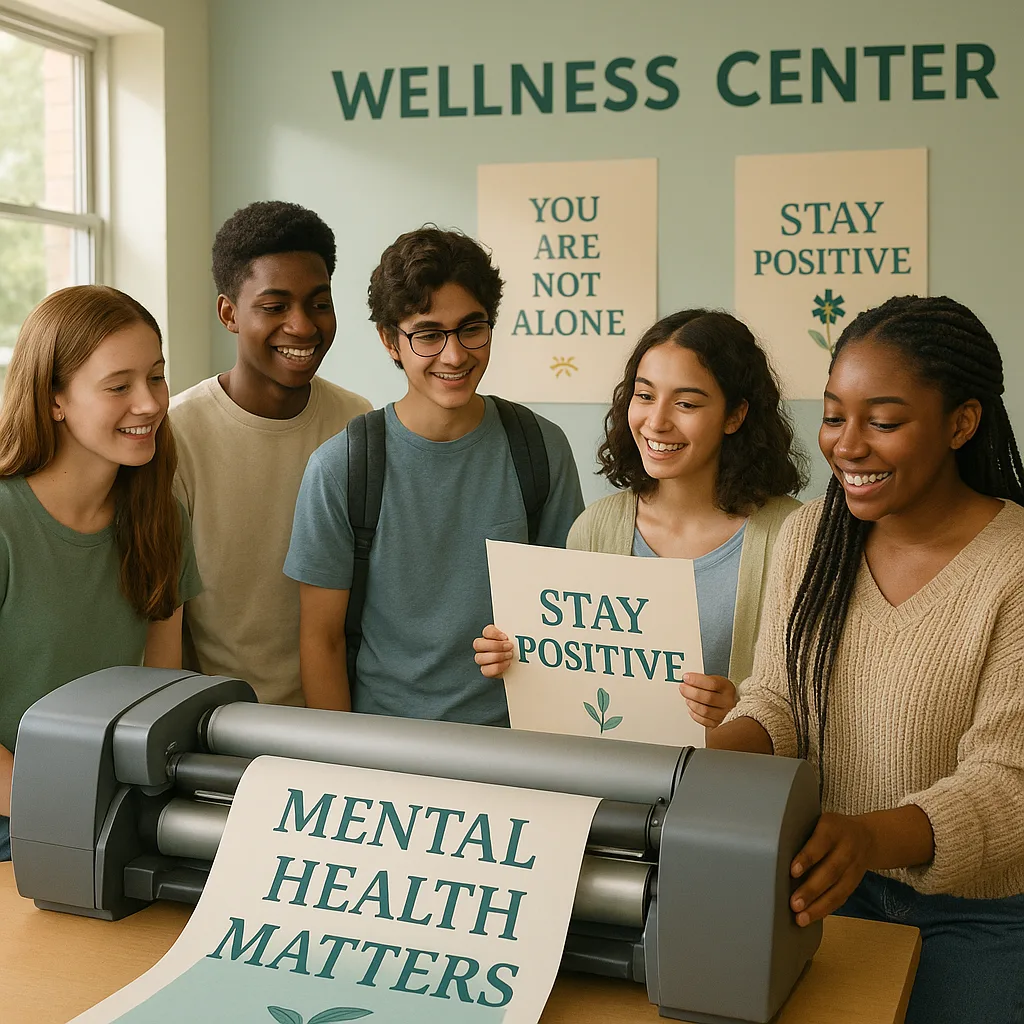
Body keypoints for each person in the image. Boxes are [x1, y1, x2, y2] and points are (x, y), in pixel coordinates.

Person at [708, 295, 1024, 1023]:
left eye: (882, 422)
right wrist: (694, 762)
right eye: (833, 415)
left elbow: (1006, 783)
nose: (847, 445)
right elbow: (778, 702)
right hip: (824, 883)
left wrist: (868, 836)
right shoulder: (812, 536)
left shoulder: (1011, 568)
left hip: (976, 918)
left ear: (961, 423)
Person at [285, 226, 584, 725]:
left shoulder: (541, 448)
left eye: (472, 328)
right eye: (428, 334)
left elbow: (568, 622)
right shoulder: (341, 467)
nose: (455, 354)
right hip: (386, 748)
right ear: (390, 340)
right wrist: (342, 765)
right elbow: (321, 639)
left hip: (520, 745)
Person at [474, 309, 805, 731]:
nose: (657, 421)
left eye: (685, 403)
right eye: (645, 395)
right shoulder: (595, 528)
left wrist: (747, 712)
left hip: (731, 785)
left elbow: (819, 698)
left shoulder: (791, 535)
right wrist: (521, 660)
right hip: (614, 785)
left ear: (735, 415)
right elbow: (575, 683)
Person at [0, 285, 200, 861]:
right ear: (55, 398)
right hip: (21, 811)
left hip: (103, 809)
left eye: (156, 378)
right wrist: (62, 815)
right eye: (119, 386)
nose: (150, 403)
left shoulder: (161, 515)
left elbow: (162, 691)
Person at [170, 201, 370, 707]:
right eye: (275, 306)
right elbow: (164, 618)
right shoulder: (176, 433)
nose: (302, 326)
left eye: (318, 303)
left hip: (341, 712)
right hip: (218, 731)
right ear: (229, 313)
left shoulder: (356, 421)